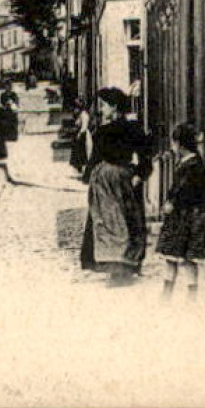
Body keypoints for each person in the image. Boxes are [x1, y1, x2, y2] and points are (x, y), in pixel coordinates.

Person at [79, 87, 153, 286]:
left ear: (114, 106)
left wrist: (140, 174)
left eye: (103, 105)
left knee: (118, 222)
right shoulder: (107, 127)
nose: (101, 109)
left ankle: (122, 269)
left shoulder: (129, 128)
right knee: (114, 221)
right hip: (110, 180)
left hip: (118, 179)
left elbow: (145, 152)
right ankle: (118, 267)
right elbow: (96, 157)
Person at [157, 123, 205, 301]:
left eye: (173, 144)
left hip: (184, 217)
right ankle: (175, 294)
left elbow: (185, 190)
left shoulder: (192, 165)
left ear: (180, 144)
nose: (172, 148)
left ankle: (185, 295)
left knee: (182, 258)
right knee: (178, 258)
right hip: (183, 217)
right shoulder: (191, 162)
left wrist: (172, 203)